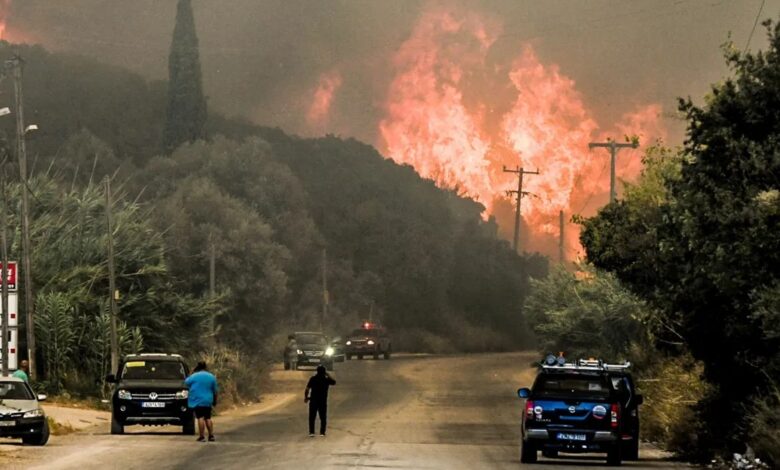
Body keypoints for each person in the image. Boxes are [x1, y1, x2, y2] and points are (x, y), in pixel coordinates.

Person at [184, 361, 219, 442]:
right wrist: (215, 401)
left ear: (198, 367)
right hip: (208, 400)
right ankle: (211, 435)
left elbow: (186, 382)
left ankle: (202, 436)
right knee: (208, 418)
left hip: (198, 400)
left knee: (200, 417)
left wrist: (192, 372)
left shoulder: (194, 376)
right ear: (205, 367)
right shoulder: (211, 376)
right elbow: (215, 391)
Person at [304, 365, 336, 437]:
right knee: (323, 417)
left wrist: (306, 397)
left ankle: (311, 432)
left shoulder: (313, 379)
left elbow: (307, 389)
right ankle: (322, 432)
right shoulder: (326, 380)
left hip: (313, 400)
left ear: (317, 371)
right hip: (322, 401)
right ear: (324, 372)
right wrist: (328, 375)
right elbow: (334, 382)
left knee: (312, 417)